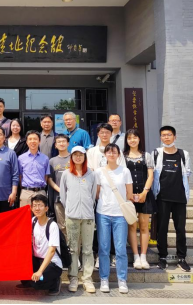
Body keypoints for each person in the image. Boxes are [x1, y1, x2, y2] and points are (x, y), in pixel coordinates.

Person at [153, 126, 192, 273]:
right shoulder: (157, 153)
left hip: (179, 197)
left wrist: (186, 192)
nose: (166, 137)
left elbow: (187, 174)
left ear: (174, 137)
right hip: (162, 197)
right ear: (160, 137)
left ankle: (181, 257)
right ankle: (162, 256)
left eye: (169, 135)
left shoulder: (183, 154)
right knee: (162, 228)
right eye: (163, 135)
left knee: (180, 229)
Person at [95, 144, 133, 295]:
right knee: (103, 248)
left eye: (114, 152)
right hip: (103, 213)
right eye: (109, 152)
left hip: (120, 214)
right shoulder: (99, 172)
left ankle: (122, 279)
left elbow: (129, 193)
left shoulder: (125, 171)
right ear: (105, 154)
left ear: (119, 154)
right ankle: (104, 278)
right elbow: (97, 193)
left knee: (120, 248)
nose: (111, 154)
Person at [60, 146, 97, 294]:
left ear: (84, 157)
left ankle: (87, 279)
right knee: (73, 248)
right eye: (75, 154)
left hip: (88, 216)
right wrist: (70, 209)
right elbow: (63, 196)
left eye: (80, 154)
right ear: (71, 157)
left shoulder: (91, 174)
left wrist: (87, 208)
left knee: (88, 249)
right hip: (72, 216)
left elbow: (93, 195)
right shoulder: (66, 174)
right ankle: (73, 278)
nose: (78, 157)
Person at [88, 123, 125, 269]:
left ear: (111, 134)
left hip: (114, 195)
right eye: (102, 132)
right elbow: (89, 170)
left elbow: (122, 171)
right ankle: (99, 255)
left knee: (115, 227)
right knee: (98, 227)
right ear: (98, 134)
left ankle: (114, 254)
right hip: (96, 193)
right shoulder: (92, 151)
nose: (104, 135)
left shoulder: (116, 150)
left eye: (107, 132)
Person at [17, 194, 63, 296]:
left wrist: (40, 271)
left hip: (52, 263)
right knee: (23, 271)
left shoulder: (52, 225)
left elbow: (51, 251)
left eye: (40, 205)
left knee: (37, 282)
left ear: (46, 208)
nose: (37, 208)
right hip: (37, 260)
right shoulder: (33, 221)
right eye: (34, 205)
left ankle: (55, 282)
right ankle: (29, 281)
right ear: (31, 208)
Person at [125, 129, 156, 271]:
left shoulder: (146, 156)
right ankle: (136, 256)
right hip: (129, 196)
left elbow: (150, 176)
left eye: (135, 137)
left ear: (139, 139)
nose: (132, 140)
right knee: (132, 226)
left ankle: (143, 256)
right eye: (129, 138)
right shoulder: (123, 156)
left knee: (144, 226)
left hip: (145, 195)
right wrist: (129, 194)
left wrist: (144, 192)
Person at [18, 131, 50, 208]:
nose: (33, 141)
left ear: (39, 141)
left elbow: (46, 176)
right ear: (26, 142)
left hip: (41, 192)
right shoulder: (21, 158)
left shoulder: (45, 158)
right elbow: (20, 176)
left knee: (41, 215)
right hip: (26, 193)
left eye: (35, 139)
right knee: (26, 215)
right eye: (30, 139)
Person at [47, 134, 71, 235]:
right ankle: (65, 245)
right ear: (55, 145)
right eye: (59, 142)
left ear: (68, 143)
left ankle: (75, 245)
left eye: (63, 141)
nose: (61, 144)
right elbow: (50, 179)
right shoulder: (52, 161)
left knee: (73, 223)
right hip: (58, 198)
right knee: (62, 225)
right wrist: (60, 190)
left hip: (73, 197)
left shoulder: (74, 158)